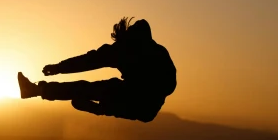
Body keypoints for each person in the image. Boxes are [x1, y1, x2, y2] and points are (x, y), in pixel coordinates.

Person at [17, 17, 176, 123]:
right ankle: (38, 90)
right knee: (92, 88)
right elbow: (89, 61)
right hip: (145, 106)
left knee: (87, 88)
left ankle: (36, 90)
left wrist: (59, 68)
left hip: (141, 103)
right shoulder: (157, 51)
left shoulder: (126, 50)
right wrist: (59, 68)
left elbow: (88, 61)